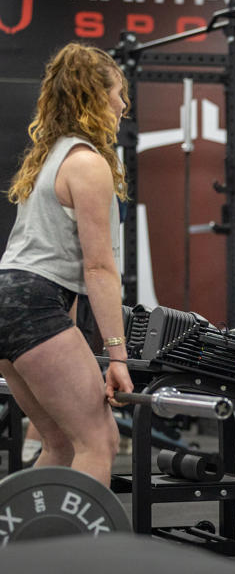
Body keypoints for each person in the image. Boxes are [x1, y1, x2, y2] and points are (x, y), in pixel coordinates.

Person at [0, 42, 134, 487]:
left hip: (11, 298)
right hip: (34, 302)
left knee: (58, 443)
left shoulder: (47, 158)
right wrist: (117, 356)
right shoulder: (88, 163)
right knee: (100, 442)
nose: (123, 105)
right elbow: (98, 269)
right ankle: (80, 559)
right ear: (93, 97)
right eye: (117, 93)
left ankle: (19, 550)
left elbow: (65, 277)